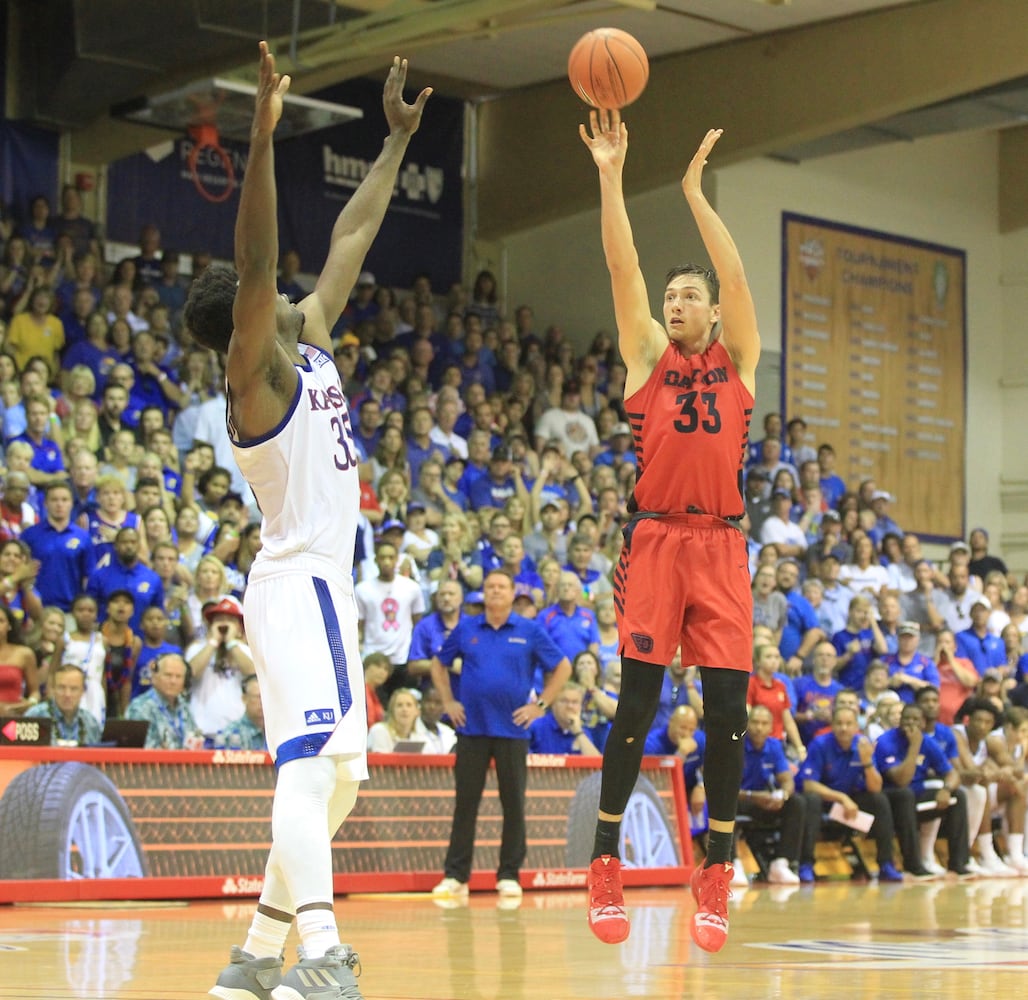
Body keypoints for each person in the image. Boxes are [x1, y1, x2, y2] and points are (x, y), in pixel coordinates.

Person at [196, 43, 431, 1000]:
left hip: (314, 590)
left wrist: (395, 143)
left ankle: (256, 952)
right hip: (299, 587)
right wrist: (259, 133)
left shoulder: (316, 341)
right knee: (308, 772)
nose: (295, 293)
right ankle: (322, 954)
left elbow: (353, 235)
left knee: (337, 783)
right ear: (250, 322)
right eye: (273, 297)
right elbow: (257, 257)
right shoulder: (257, 376)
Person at [580, 115, 760, 952]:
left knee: (728, 712)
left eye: (690, 297)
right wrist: (613, 175)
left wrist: (693, 193)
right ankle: (605, 860)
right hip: (655, 543)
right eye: (671, 297)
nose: (676, 303)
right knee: (638, 705)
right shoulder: (648, 356)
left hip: (722, 547)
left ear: (714, 313)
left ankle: (716, 870)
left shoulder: (740, 361)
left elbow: (732, 266)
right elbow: (622, 264)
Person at [429, 569, 571, 902]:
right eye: (490, 587)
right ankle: (455, 875)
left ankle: (509, 875)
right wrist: (448, 701)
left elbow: (562, 666)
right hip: (471, 729)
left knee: (513, 804)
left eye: (501, 587)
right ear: (483, 593)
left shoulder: (529, 630)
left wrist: (541, 705)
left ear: (511, 594)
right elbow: (438, 665)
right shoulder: (466, 628)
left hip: (513, 731)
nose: (495, 591)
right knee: (466, 804)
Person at [798, 704, 904, 883]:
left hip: (852, 803)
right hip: (826, 800)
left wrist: (867, 763)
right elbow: (809, 784)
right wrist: (841, 798)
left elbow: (876, 787)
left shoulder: (863, 745)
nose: (844, 728)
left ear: (857, 727)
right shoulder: (820, 744)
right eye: (839, 723)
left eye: (848, 723)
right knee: (812, 800)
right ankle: (806, 864)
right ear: (832, 725)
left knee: (879, 800)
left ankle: (886, 863)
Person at [733, 704, 803, 885]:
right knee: (726, 806)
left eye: (764, 723)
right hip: (739, 798)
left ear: (771, 727)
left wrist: (783, 796)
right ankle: (732, 863)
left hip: (763, 801)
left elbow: (787, 781)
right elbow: (724, 789)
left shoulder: (774, 746)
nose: (759, 727)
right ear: (747, 724)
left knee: (797, 802)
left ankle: (781, 863)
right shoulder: (735, 744)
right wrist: (753, 796)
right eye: (755, 722)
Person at [124, 652, 201, 750]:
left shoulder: (183, 706)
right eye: (168, 675)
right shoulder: (139, 707)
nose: (173, 681)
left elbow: (195, 739)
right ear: (154, 677)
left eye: (178, 677)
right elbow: (144, 751)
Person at [23, 662, 102, 746]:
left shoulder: (90, 723)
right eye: (61, 688)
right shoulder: (34, 716)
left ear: (82, 692)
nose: (67, 694)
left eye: (74, 689)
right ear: (53, 689)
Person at [528, 680, 602, 756]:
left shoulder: (583, 732)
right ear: (553, 704)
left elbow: (596, 765)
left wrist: (578, 732)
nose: (570, 706)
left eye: (575, 702)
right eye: (564, 701)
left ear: (581, 706)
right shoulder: (536, 727)